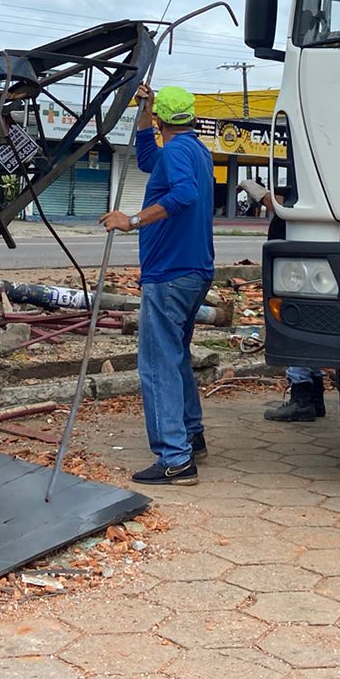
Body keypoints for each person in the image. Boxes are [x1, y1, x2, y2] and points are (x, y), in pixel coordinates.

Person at [101, 83, 215, 485]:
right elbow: (149, 157)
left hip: (171, 273)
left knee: (156, 364)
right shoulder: (195, 150)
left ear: (166, 120)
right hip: (194, 271)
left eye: (154, 115)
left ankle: (175, 458)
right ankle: (190, 434)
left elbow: (183, 194)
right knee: (175, 356)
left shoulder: (182, 153)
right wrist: (144, 109)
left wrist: (130, 221)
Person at [239, 178, 328, 424]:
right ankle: (315, 396)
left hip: (294, 265)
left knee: (293, 326)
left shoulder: (302, 182)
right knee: (312, 326)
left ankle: (301, 398)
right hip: (312, 263)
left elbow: (280, 206)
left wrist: (257, 192)